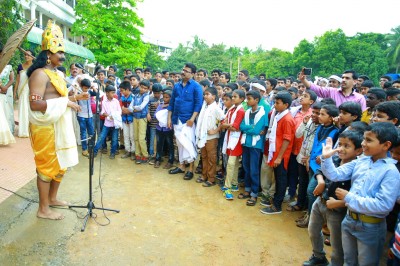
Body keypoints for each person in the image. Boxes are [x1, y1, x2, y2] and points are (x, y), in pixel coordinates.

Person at [27, 20, 84, 220]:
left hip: (59, 124)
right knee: (46, 166)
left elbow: (59, 99)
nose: (62, 56)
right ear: (48, 54)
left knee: (62, 164)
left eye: (63, 53)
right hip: (45, 127)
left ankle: (52, 198)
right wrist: (63, 103)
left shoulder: (57, 74)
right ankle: (43, 210)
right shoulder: (39, 75)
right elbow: (35, 104)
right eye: (59, 53)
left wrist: (74, 100)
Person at [321, 122, 400, 265]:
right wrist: (326, 158)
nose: (363, 143)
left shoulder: (390, 171)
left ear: (386, 145)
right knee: (349, 261)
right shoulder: (361, 161)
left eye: (369, 140)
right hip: (350, 220)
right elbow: (335, 175)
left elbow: (383, 205)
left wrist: (349, 197)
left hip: (371, 226)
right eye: (364, 139)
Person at [303, 130, 363, 266]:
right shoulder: (335, 158)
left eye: (346, 146)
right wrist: (321, 181)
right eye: (340, 144)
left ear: (358, 150)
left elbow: (357, 195)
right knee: (313, 230)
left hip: (336, 209)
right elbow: (319, 171)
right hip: (321, 201)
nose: (341, 149)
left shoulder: (357, 169)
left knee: (337, 243)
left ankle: (335, 263)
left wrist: (340, 203)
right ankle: (318, 256)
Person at [261, 91, 295, 214]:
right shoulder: (279, 115)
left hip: (282, 155)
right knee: (278, 177)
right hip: (276, 153)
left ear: (286, 105)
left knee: (281, 179)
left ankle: (277, 205)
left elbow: (287, 139)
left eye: (277, 103)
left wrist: (279, 157)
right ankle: (275, 200)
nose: (275, 105)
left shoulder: (287, 119)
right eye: (275, 102)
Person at [167, 63, 203, 180]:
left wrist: (192, 119)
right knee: (179, 143)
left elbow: (198, 104)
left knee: (189, 144)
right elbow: (171, 103)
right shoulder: (177, 86)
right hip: (176, 119)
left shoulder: (196, 87)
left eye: (186, 71)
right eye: (183, 70)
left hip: (188, 121)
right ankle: (181, 166)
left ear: (193, 74)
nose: (183, 72)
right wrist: (169, 118)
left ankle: (191, 169)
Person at [238, 90, 267, 206]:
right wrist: (251, 127)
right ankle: (247, 189)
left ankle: (254, 193)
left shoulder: (262, 113)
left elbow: (256, 130)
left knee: (254, 169)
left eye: (249, 99)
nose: (247, 101)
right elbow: (241, 127)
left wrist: (248, 128)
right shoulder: (247, 112)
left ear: (256, 100)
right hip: (246, 143)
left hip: (256, 145)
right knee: (246, 166)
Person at [195, 87, 224, 187]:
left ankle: (211, 178)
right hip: (203, 137)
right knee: (204, 156)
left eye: (207, 94)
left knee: (211, 158)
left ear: (214, 96)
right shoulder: (204, 107)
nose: (205, 96)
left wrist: (215, 130)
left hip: (212, 137)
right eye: (204, 94)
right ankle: (204, 175)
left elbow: (223, 121)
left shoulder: (216, 108)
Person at [299, 69, 367, 111]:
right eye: (343, 78)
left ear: (355, 81)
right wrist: (303, 80)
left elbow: (361, 116)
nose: (343, 80)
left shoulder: (359, 98)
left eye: (347, 78)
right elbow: (316, 88)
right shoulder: (331, 91)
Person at [220, 89, 245, 200]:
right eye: (233, 97)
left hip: (236, 139)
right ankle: (234, 183)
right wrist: (227, 125)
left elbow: (235, 126)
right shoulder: (232, 110)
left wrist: (226, 125)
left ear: (242, 99)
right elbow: (223, 122)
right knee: (233, 163)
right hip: (230, 137)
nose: (233, 98)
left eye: (235, 97)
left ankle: (227, 186)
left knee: (231, 163)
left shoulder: (240, 111)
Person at [93, 85, 121, 159]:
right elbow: (102, 112)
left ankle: (112, 153)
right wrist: (107, 115)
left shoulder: (116, 101)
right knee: (101, 137)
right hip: (107, 123)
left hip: (115, 124)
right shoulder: (104, 102)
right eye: (112, 93)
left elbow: (120, 111)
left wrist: (114, 116)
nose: (114, 94)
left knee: (114, 139)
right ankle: (94, 152)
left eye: (114, 92)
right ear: (107, 93)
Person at [14, 49, 35, 137]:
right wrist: (15, 92)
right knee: (22, 109)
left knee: (30, 110)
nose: (26, 56)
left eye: (28, 55)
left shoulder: (35, 67)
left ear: (32, 57)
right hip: (22, 91)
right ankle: (23, 131)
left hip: (31, 90)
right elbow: (18, 80)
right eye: (25, 55)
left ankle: (30, 130)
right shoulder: (20, 66)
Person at [129, 79, 150, 164]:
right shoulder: (135, 95)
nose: (143, 89)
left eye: (145, 88)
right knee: (136, 137)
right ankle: (138, 155)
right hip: (135, 118)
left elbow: (141, 107)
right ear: (139, 86)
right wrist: (134, 108)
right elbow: (131, 107)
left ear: (148, 89)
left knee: (141, 138)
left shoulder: (146, 96)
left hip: (142, 118)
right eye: (142, 87)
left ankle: (145, 155)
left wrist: (133, 108)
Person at [154, 89, 174, 169]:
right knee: (159, 144)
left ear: (171, 98)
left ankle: (170, 161)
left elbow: (172, 116)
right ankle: (158, 159)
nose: (165, 99)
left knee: (170, 145)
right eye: (164, 97)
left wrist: (168, 107)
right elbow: (155, 115)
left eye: (167, 97)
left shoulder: (172, 107)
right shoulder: (160, 105)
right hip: (159, 128)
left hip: (168, 129)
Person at [77, 78, 96, 157]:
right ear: (81, 86)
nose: (86, 89)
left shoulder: (89, 92)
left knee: (91, 132)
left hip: (89, 115)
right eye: (85, 88)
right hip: (81, 116)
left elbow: (96, 94)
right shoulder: (78, 92)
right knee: (84, 133)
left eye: (87, 88)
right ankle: (84, 150)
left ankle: (91, 148)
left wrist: (92, 87)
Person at [119, 81, 135, 160]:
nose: (121, 92)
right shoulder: (121, 98)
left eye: (122, 90)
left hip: (131, 119)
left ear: (127, 89)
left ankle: (133, 151)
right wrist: (126, 110)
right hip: (124, 119)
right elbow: (120, 109)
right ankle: (127, 150)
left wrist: (124, 109)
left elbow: (131, 110)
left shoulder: (134, 97)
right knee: (126, 135)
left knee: (132, 136)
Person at [147, 83, 163, 164]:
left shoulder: (164, 98)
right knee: (152, 140)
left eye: (158, 93)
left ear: (161, 92)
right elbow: (148, 107)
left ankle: (158, 155)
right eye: (155, 93)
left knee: (159, 141)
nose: (157, 94)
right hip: (153, 123)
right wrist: (148, 113)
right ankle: (152, 155)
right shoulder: (150, 98)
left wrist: (160, 104)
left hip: (161, 125)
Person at [0, 57, 15, 134]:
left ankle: (7, 131)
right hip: (2, 89)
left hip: (5, 92)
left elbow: (12, 79)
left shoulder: (8, 66)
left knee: (6, 111)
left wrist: (5, 87)